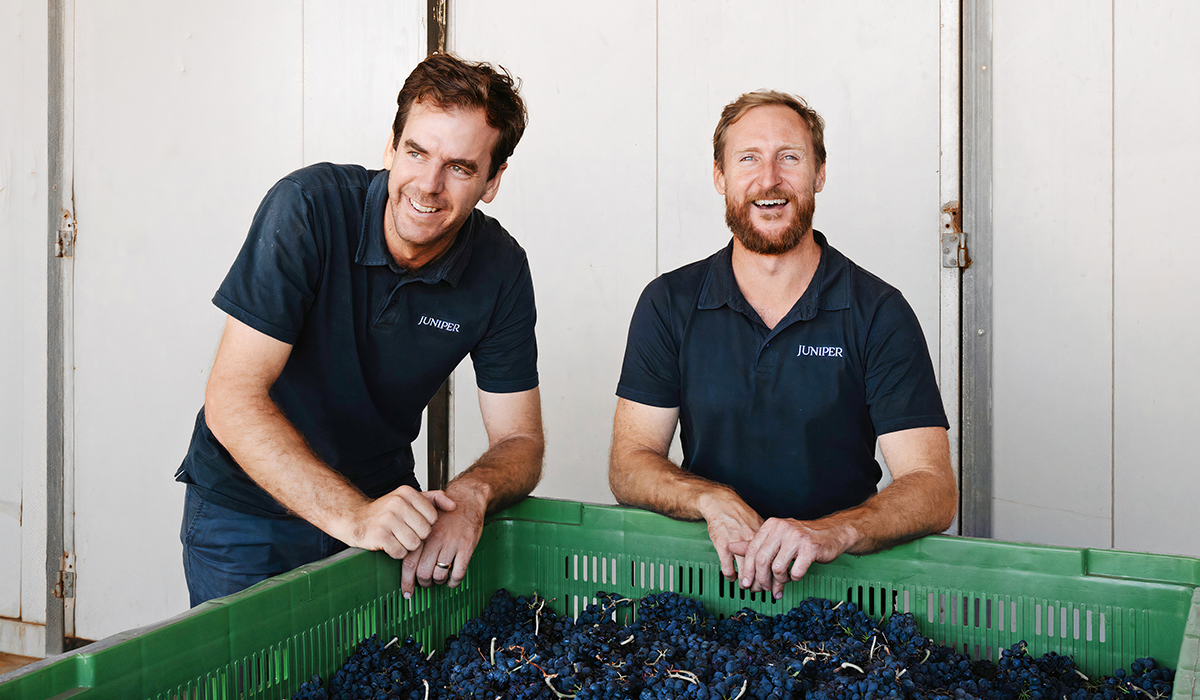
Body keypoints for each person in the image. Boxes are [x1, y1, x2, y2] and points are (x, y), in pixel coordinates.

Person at [176, 53, 544, 606]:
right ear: (390, 146)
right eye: (416, 152)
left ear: (492, 181)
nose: (428, 185)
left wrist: (469, 496)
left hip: (381, 513)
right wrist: (352, 516)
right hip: (247, 514)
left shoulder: (501, 269)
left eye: (461, 167)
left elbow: (520, 439)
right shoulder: (306, 209)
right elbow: (232, 398)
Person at [608, 90, 956, 601]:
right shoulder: (670, 303)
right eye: (748, 158)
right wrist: (711, 499)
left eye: (789, 158)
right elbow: (628, 464)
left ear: (818, 174)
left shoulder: (878, 311)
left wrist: (833, 531)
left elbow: (933, 488)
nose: (768, 180)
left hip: (845, 598)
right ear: (719, 176)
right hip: (706, 587)